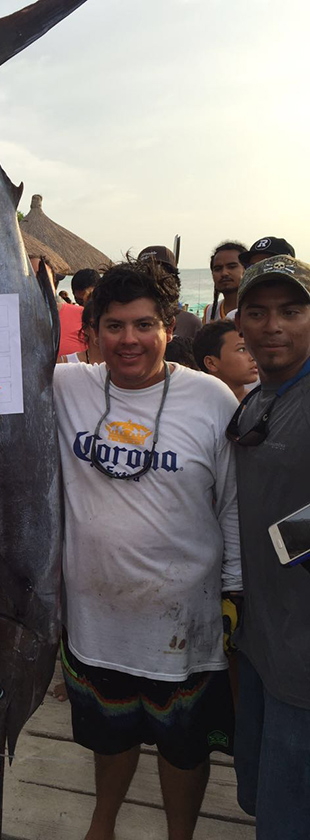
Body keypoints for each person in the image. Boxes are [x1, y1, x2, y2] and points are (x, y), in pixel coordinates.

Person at [53, 258, 241, 840]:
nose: (128, 340)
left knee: (183, 749)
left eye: (143, 325)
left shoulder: (211, 399)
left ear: (168, 327)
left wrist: (236, 592)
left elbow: (232, 505)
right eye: (113, 326)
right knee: (109, 738)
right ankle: (101, 826)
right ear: (92, 332)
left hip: (187, 621)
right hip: (96, 619)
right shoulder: (65, 386)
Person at [230, 255, 310, 838]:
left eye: (292, 311)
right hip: (263, 640)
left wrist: (289, 542)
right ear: (240, 324)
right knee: (265, 795)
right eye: (257, 312)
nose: (273, 325)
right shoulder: (258, 398)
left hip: (305, 655)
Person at [136, 245, 201, 339]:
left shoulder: (190, 322)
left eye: (163, 272)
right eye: (146, 272)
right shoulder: (125, 317)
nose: (155, 277)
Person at [30, 257, 86, 356]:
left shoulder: (83, 315)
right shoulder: (4, 323)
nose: (36, 286)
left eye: (43, 279)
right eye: (29, 279)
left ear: (54, 286)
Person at [193, 321, 258, 401]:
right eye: (242, 349)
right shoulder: (194, 407)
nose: (254, 357)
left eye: (253, 348)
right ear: (211, 363)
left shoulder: (262, 405)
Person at [203, 242, 246, 324]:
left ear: (246, 269)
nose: (224, 273)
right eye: (218, 269)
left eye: (232, 267)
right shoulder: (210, 311)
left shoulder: (258, 310)